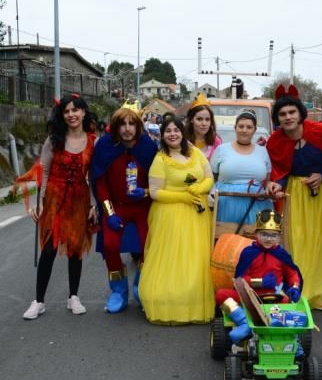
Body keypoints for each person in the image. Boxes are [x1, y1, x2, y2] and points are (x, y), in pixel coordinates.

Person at [266, 84, 322, 310]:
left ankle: (316, 293)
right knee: (298, 242)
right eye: (282, 114)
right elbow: (281, 170)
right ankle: (299, 288)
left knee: (321, 242)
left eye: (292, 112)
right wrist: (276, 184)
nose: (288, 117)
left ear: (300, 113)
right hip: (295, 195)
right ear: (277, 118)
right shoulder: (275, 141)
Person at [22, 94, 98, 320]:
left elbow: (93, 176)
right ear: (62, 115)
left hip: (79, 200)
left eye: (75, 110)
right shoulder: (54, 140)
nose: (71, 115)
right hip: (54, 199)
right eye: (66, 111)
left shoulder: (93, 141)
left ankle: (73, 296)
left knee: (75, 248)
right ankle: (39, 301)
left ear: (84, 112)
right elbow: (43, 172)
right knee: (48, 250)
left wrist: (94, 204)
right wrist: (41, 202)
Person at [138, 117, 215, 324]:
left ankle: (193, 303)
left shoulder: (195, 153)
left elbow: (209, 177)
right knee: (172, 258)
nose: (173, 134)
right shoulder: (161, 159)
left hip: (197, 215)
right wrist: (183, 197)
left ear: (182, 132)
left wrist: (200, 188)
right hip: (170, 216)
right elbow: (155, 192)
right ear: (162, 136)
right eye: (168, 131)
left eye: (176, 130)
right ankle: (167, 303)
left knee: (195, 258)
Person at [92, 107, 158, 313]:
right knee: (110, 245)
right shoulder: (105, 146)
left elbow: (158, 179)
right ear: (115, 127)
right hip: (116, 206)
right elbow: (100, 184)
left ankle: (141, 286)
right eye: (123, 124)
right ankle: (118, 291)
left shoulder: (147, 146)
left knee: (147, 247)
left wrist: (146, 192)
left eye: (132, 124)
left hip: (143, 206)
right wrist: (109, 213)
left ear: (138, 126)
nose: (127, 129)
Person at [215, 209, 302, 343]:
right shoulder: (249, 253)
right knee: (221, 295)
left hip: (275, 296)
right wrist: (260, 282)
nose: (268, 239)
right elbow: (240, 280)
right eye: (264, 234)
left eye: (273, 235)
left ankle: (292, 341)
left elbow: (292, 274)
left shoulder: (282, 255)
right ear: (256, 234)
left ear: (279, 237)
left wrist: (295, 287)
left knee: (289, 304)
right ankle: (245, 323)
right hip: (250, 296)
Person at [210, 110, 272, 228]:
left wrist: (270, 185)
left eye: (249, 127)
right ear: (235, 128)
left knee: (255, 242)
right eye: (241, 126)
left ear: (254, 130)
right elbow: (212, 177)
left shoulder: (263, 152)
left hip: (257, 205)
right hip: (225, 205)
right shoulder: (222, 149)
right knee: (225, 241)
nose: (244, 130)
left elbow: (267, 181)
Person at [185, 93, 222, 161]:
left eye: (207, 119)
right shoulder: (182, 140)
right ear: (191, 120)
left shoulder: (216, 141)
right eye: (199, 119)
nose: (204, 123)